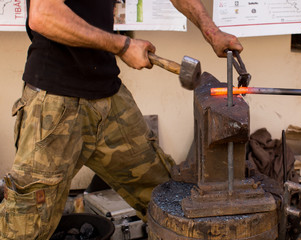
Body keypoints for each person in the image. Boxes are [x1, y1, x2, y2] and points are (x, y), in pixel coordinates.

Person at [0, 0, 243, 239]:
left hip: (109, 97)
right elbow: (44, 15)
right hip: (54, 104)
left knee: (168, 201)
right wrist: (123, 45)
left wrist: (212, 32)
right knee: (25, 228)